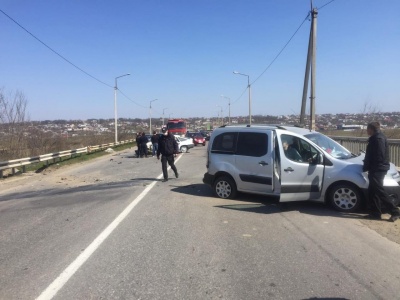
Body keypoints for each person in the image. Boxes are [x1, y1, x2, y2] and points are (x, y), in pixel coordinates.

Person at [363, 121, 400, 222]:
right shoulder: (377, 137)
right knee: (373, 191)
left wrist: (371, 165)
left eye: (367, 129)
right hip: (376, 168)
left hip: (377, 169)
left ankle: (395, 211)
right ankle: (375, 213)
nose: (367, 131)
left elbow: (379, 156)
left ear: (371, 129)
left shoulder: (378, 139)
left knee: (379, 190)